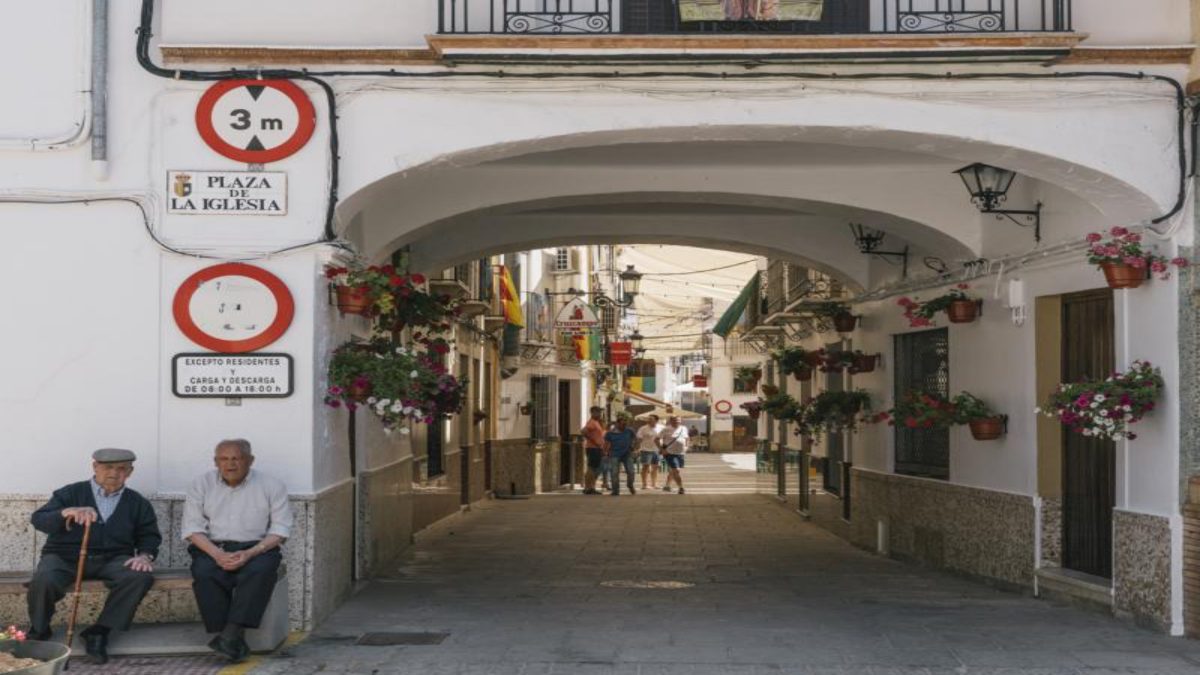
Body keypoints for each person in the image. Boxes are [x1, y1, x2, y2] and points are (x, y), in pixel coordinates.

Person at [27, 449, 161, 664]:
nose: (114, 473)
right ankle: (39, 630)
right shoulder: (70, 493)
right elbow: (39, 520)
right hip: (64, 557)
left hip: (113, 559)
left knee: (139, 576)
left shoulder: (137, 502)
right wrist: (66, 512)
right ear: (95, 467)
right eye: (108, 467)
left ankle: (99, 632)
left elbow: (149, 536)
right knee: (44, 578)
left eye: (121, 469)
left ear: (130, 472)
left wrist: (145, 556)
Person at [183, 439, 292, 663]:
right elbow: (192, 529)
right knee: (205, 573)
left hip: (258, 547)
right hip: (213, 547)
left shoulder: (272, 485)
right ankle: (230, 637)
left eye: (237, 458)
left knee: (260, 572)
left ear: (250, 460)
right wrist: (218, 555)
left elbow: (280, 530)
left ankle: (230, 633)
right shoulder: (200, 484)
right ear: (216, 462)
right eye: (224, 459)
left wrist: (251, 553)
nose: (230, 464)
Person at [603, 414, 638, 496]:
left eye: (625, 424)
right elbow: (606, 444)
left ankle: (630, 485)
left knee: (631, 471)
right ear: (617, 424)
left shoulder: (629, 431)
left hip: (627, 454)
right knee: (614, 472)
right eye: (622, 424)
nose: (624, 426)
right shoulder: (610, 433)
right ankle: (615, 490)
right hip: (614, 454)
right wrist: (605, 453)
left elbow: (635, 439)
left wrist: (635, 448)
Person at [659, 416, 690, 495]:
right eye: (675, 420)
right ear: (671, 421)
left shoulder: (684, 428)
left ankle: (667, 485)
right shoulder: (666, 429)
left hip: (681, 453)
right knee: (676, 470)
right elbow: (656, 439)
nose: (677, 422)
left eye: (678, 420)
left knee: (673, 471)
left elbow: (687, 438)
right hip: (669, 453)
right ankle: (681, 487)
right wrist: (662, 449)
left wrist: (686, 447)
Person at [581, 407, 606, 495]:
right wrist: (594, 442)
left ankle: (591, 487)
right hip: (593, 448)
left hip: (596, 448)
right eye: (598, 412)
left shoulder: (596, 422)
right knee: (591, 468)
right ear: (593, 412)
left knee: (594, 468)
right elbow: (583, 431)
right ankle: (588, 488)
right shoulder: (592, 422)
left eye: (600, 412)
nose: (600, 414)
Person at [636, 414, 664, 489]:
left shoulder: (661, 427)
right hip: (646, 450)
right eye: (648, 419)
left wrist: (663, 448)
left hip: (657, 450)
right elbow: (639, 438)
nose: (649, 420)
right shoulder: (643, 428)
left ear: (656, 420)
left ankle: (654, 484)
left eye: (651, 419)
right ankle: (644, 484)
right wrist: (638, 448)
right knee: (646, 467)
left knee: (655, 467)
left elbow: (665, 438)